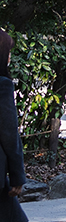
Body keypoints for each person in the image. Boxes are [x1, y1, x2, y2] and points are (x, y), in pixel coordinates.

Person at [0, 30, 27, 222]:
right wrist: (18, 176)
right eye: (8, 51)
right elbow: (8, 133)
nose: (10, 57)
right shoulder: (2, 85)